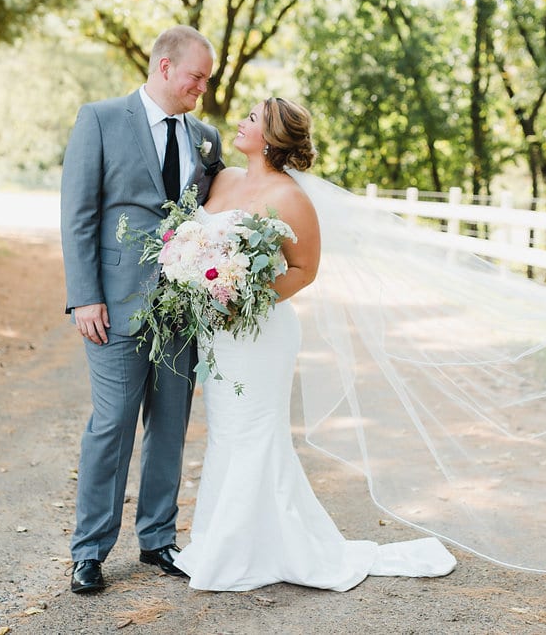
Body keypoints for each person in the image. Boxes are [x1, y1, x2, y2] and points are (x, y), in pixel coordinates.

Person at [171, 97, 457, 591]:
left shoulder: (290, 198)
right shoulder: (222, 181)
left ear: (272, 137)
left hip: (260, 333)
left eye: (253, 119)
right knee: (225, 432)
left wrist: (245, 301)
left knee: (255, 433)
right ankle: (223, 539)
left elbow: (305, 270)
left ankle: (247, 551)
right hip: (217, 334)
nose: (241, 122)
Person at [59, 25, 224, 594]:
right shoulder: (100, 120)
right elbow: (78, 213)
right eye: (196, 77)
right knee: (112, 424)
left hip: (181, 307)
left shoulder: (206, 138)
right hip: (112, 305)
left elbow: (213, 218)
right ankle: (90, 550)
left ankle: (157, 538)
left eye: (206, 79)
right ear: (164, 68)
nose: (202, 87)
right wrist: (84, 295)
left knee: (171, 424)